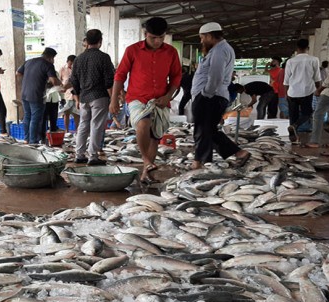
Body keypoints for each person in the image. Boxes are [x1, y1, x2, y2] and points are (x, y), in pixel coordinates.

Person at [110, 16, 182, 183]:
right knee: (143, 123)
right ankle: (146, 159)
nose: (157, 41)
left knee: (155, 135)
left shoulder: (171, 52)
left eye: (161, 38)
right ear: (145, 33)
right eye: (153, 37)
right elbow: (120, 75)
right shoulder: (132, 50)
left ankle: (146, 172)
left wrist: (167, 96)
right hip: (137, 97)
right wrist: (114, 100)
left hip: (161, 99)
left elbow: (176, 77)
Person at [189, 22, 251, 171]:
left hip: (210, 97)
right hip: (214, 96)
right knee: (209, 130)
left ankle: (198, 163)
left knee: (202, 130)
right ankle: (240, 153)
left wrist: (205, 94)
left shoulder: (219, 51)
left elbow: (215, 75)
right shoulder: (221, 49)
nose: (201, 41)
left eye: (202, 37)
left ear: (210, 36)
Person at [70, 28, 115, 166]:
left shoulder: (78, 59)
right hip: (99, 96)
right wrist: (113, 99)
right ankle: (93, 156)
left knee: (83, 125)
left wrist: (77, 98)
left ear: (86, 42)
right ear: (100, 41)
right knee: (96, 125)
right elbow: (109, 80)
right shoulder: (104, 57)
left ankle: (79, 155)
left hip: (84, 97)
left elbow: (74, 80)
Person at [16, 47, 61, 145]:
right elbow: (53, 81)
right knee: (36, 118)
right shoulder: (48, 64)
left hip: (24, 93)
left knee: (27, 116)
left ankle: (26, 139)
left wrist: (31, 79)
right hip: (37, 95)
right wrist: (61, 84)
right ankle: (33, 141)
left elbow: (18, 73)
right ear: (51, 57)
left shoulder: (29, 61)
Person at [283, 39, 321, 145]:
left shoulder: (290, 61)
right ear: (308, 48)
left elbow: (286, 80)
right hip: (307, 91)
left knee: (293, 115)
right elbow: (317, 77)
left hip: (292, 92)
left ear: (296, 49)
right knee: (307, 113)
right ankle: (295, 126)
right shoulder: (314, 60)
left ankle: (294, 139)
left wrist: (286, 93)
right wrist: (319, 89)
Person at [58, 55, 80, 132]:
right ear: (67, 62)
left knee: (76, 114)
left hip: (76, 95)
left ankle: (77, 130)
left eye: (73, 63)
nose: (71, 65)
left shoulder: (77, 70)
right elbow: (59, 81)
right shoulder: (63, 69)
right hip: (66, 95)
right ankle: (67, 130)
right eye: (70, 63)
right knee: (66, 113)